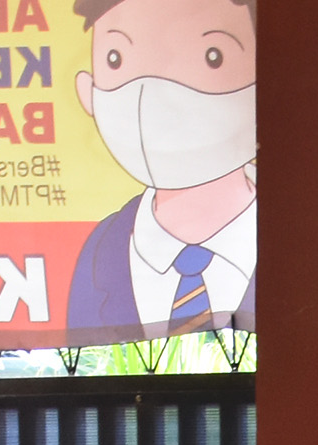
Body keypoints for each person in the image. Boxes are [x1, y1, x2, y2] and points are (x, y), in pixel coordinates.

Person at [65, 0, 257, 338]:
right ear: (88, 92)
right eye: (117, 59)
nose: (152, 92)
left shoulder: (306, 237)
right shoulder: (99, 254)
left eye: (213, 56)